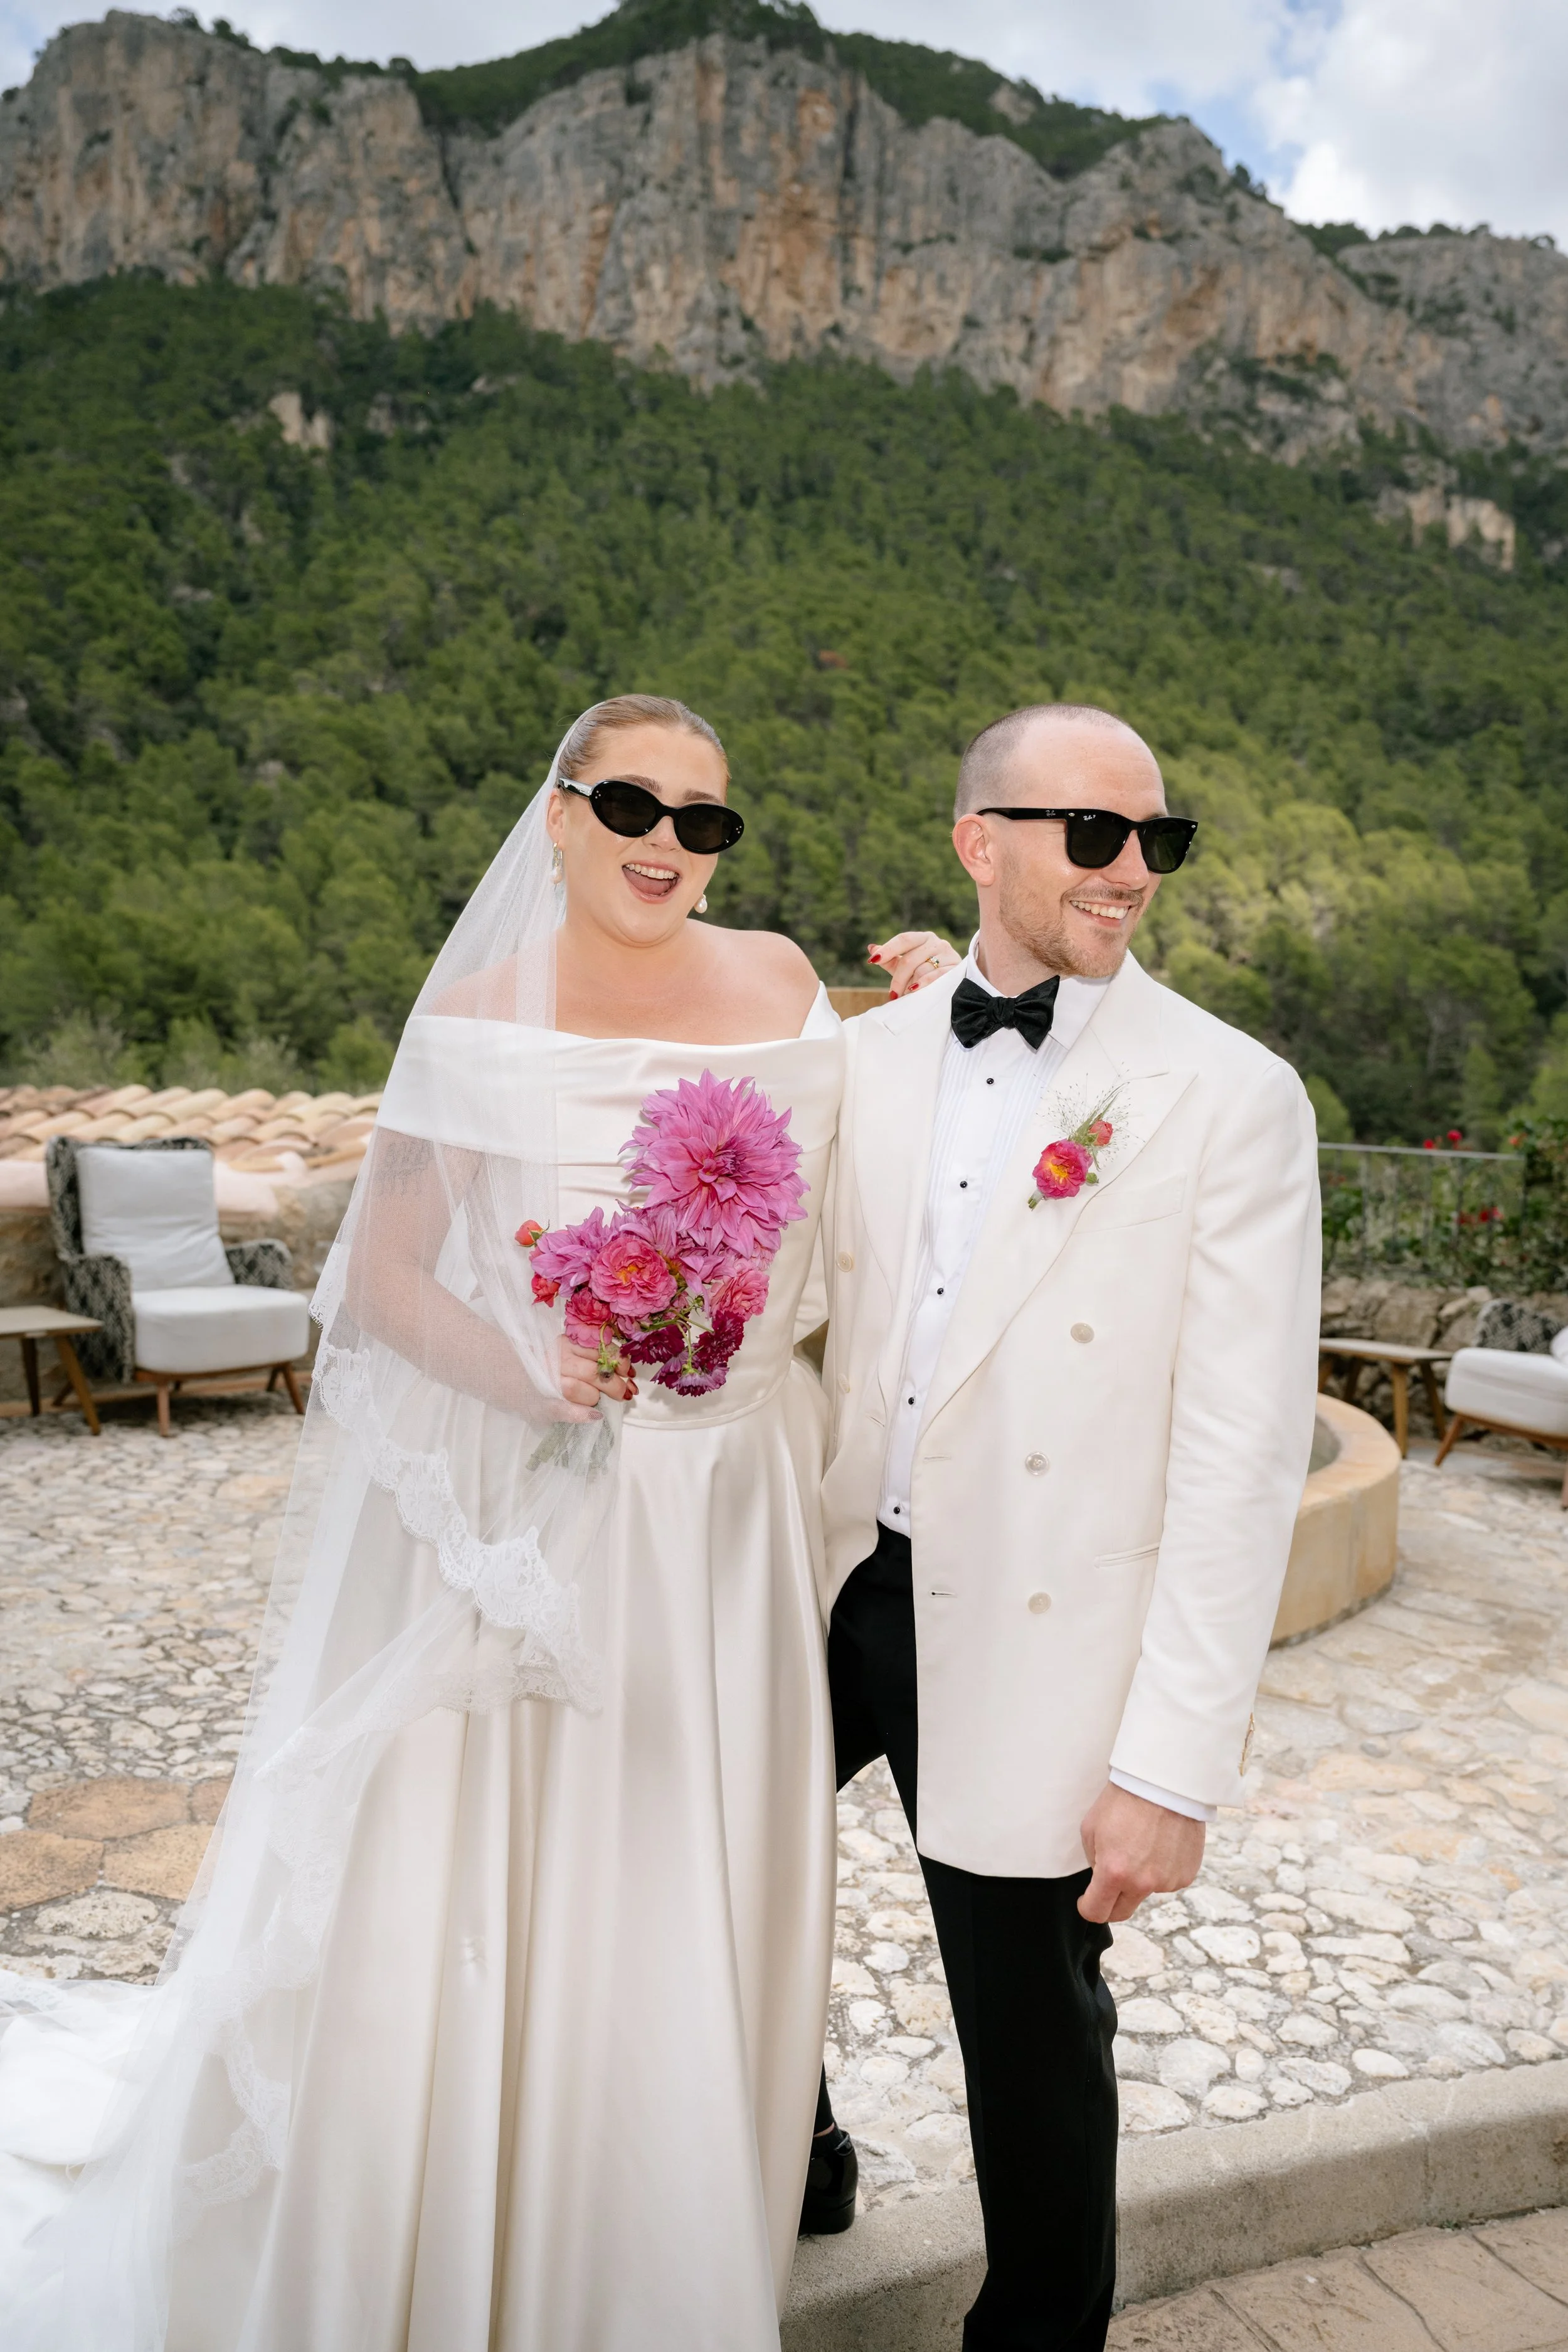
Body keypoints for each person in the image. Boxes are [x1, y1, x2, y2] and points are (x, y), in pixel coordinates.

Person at [0, 694, 958, 2350]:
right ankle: (496, 2227)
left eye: (704, 819)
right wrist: (534, 1376)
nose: (667, 842)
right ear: (563, 813)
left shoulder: (785, 983)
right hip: (553, 1506)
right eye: (633, 805)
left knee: (701, 1855)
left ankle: (662, 2234)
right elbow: (379, 1277)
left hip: (735, 1511)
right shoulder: (476, 1016)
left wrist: (932, 995)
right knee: (522, 1861)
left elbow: (883, 1161)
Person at [809, 704, 1321, 2344]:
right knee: (692, 1863)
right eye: (1093, 835)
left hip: (1038, 1629)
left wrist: (1171, 1766)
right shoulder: (867, 1058)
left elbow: (1242, 1456)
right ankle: (799, 2140)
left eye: (1156, 840)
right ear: (980, 842)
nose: (1131, 871)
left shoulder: (1230, 1094)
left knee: (1028, 2031)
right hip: (842, 1585)